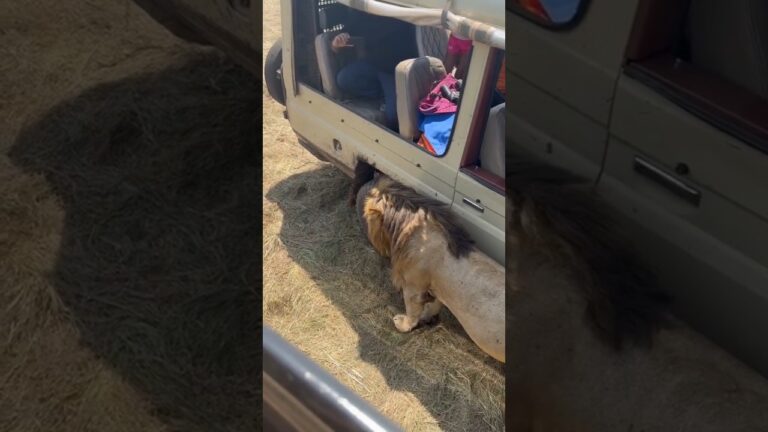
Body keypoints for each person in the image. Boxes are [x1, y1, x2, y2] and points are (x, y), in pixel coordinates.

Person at [331, 9, 417, 130]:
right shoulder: (363, 10)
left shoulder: (400, 9)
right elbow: (338, 43)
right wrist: (337, 43)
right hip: (373, 64)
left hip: (396, 69)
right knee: (344, 79)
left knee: (394, 117)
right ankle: (382, 94)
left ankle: (390, 97)